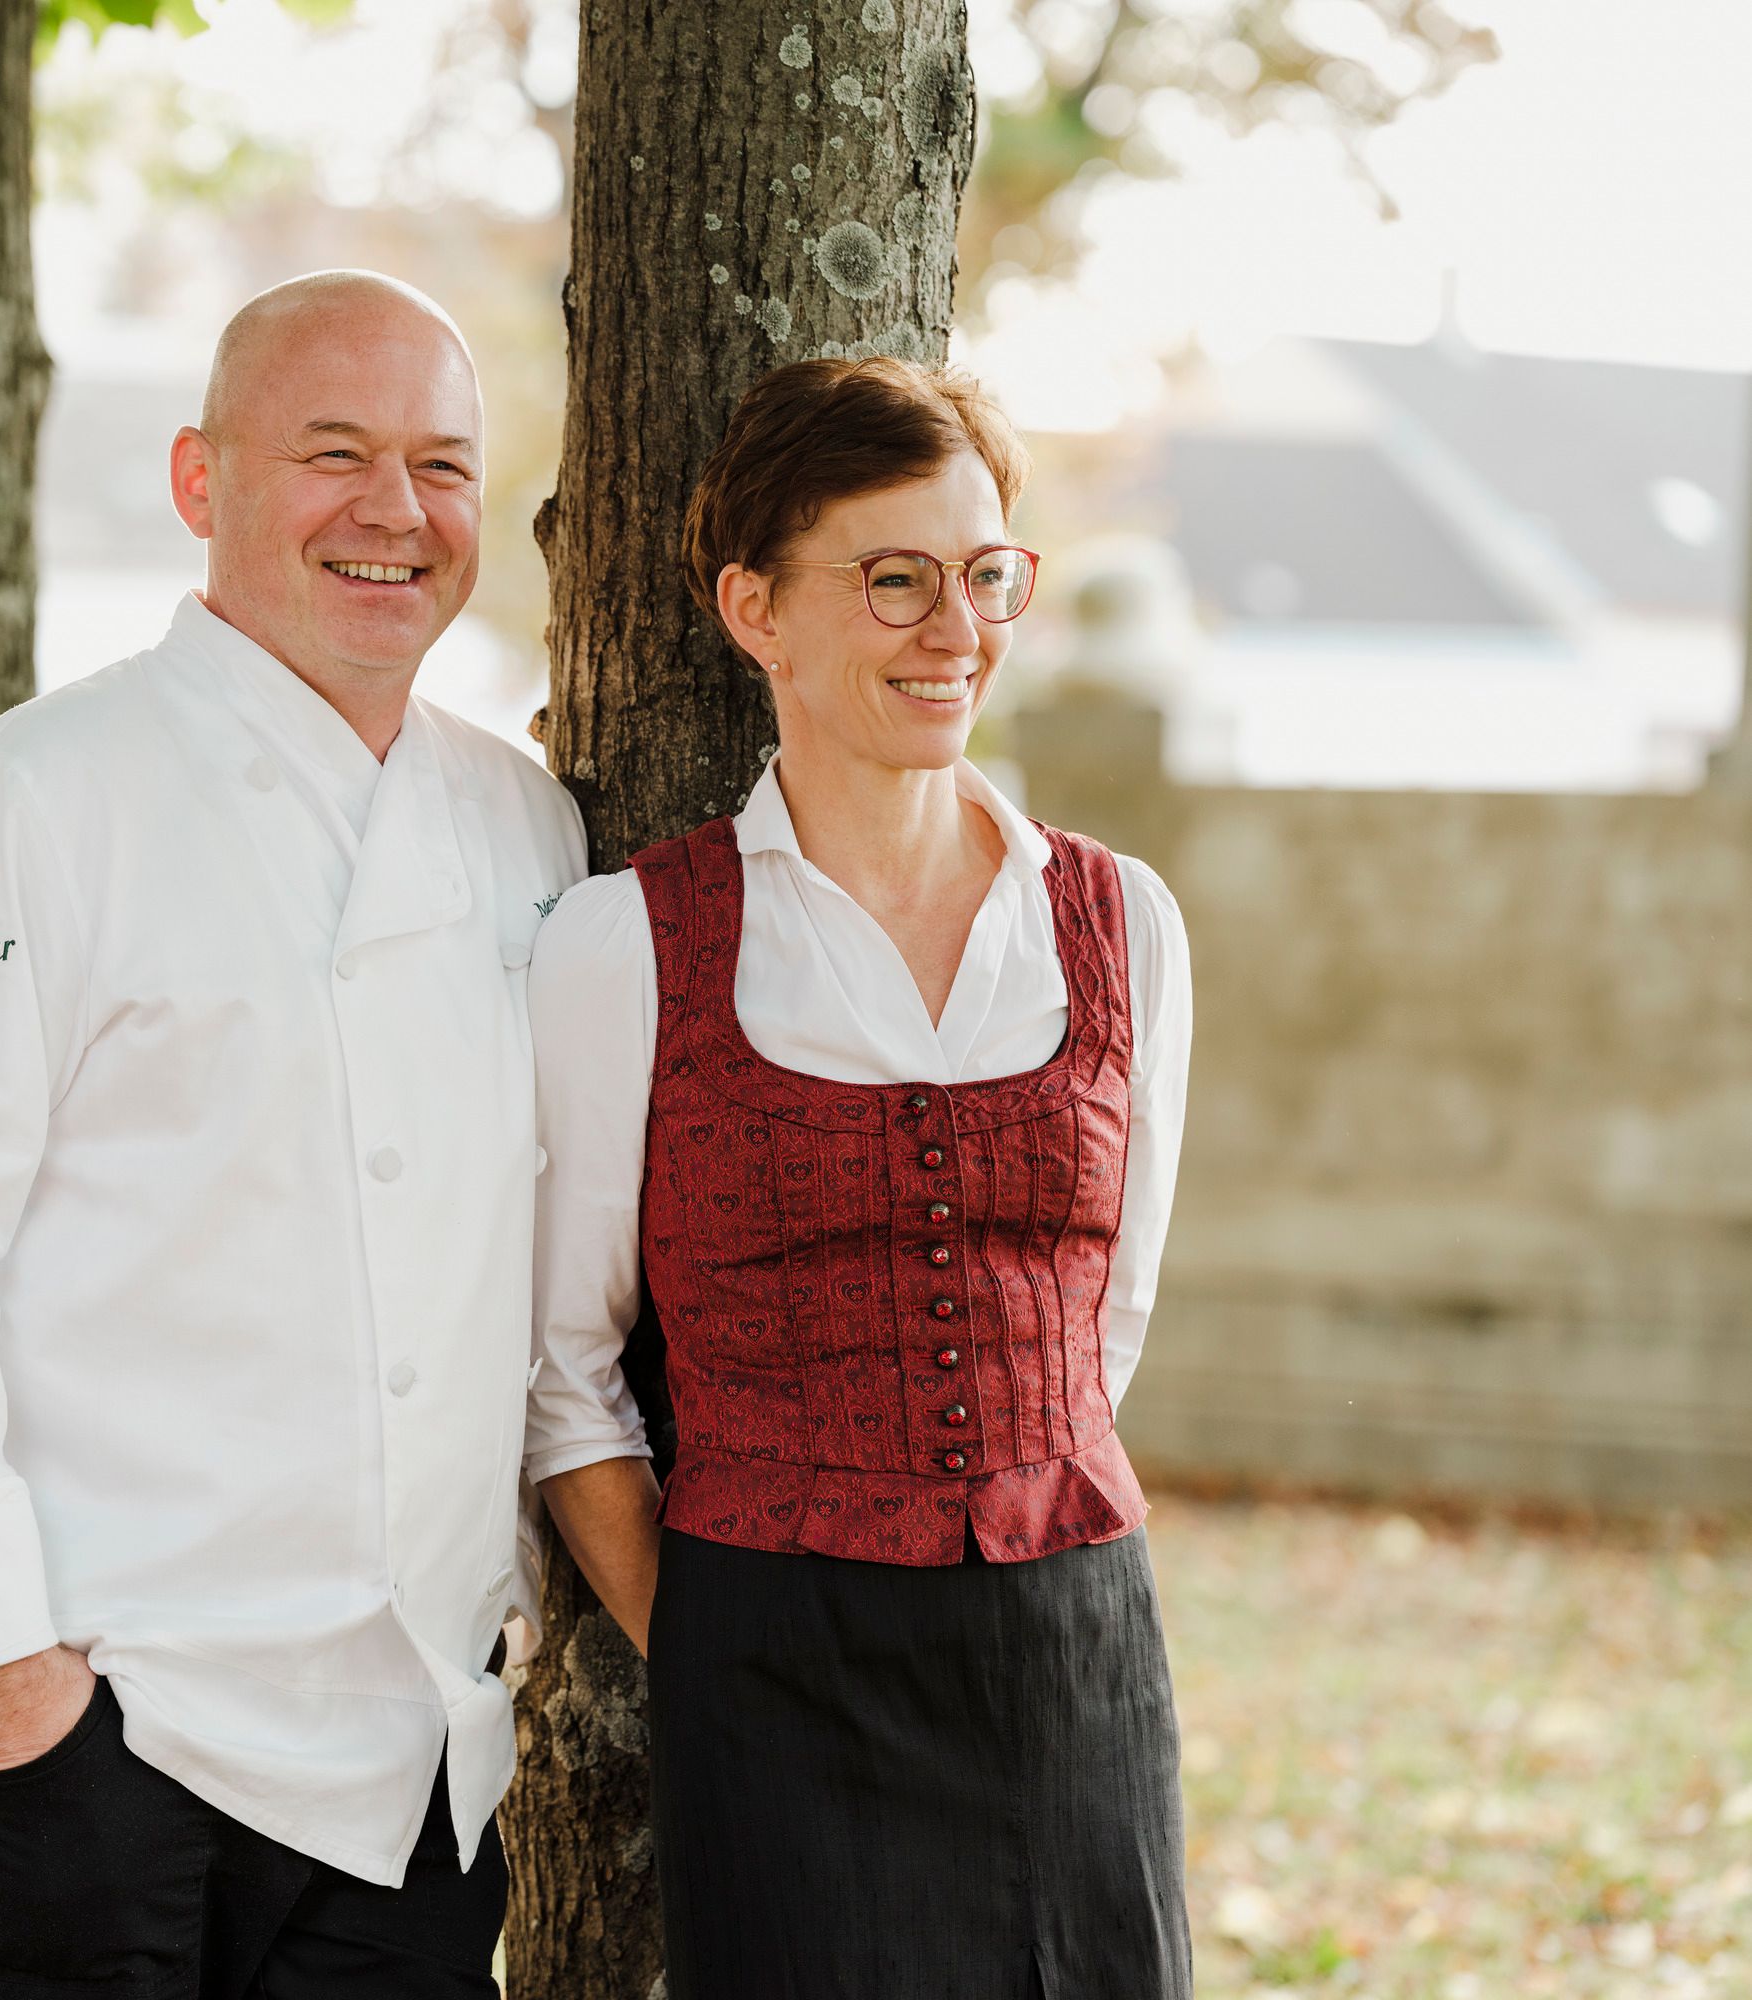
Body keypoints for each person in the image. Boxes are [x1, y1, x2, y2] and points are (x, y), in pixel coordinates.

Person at [0, 270, 584, 1999]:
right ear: (199, 482)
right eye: (333, 453)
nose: (394, 511)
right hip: (96, 1745)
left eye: (440, 465)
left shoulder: (527, 829)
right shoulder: (26, 801)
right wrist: (1, 1688)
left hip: (407, 1780)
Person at [521, 356, 1197, 1998]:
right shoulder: (629, 944)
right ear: (755, 608)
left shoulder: (1121, 923)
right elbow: (561, 1377)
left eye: (983, 576)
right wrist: (712, 1638)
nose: (951, 628)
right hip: (770, 1671)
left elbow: (1104, 1325)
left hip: (1068, 1649)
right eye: (890, 578)